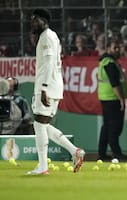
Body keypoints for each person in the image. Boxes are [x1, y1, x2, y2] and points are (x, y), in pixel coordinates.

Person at [28, 8, 85, 175]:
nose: (32, 22)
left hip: (47, 86)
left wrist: (44, 87)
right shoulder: (50, 36)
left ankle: (43, 167)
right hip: (53, 85)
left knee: (39, 124)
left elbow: (50, 62)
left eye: (35, 19)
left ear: (44, 20)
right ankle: (75, 151)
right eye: (32, 19)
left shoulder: (46, 36)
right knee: (43, 125)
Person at [97, 39, 127, 162]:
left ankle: (102, 153)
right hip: (112, 99)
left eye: (118, 47)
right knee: (114, 127)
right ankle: (117, 154)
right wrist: (121, 99)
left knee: (107, 126)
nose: (117, 50)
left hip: (106, 98)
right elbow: (114, 83)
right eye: (114, 48)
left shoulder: (105, 61)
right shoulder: (109, 63)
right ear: (108, 49)